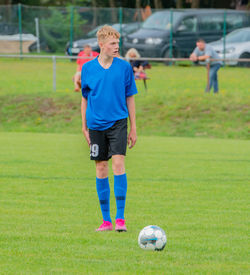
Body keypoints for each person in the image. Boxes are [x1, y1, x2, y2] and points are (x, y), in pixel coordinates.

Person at [81, 25, 138, 232]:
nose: (117, 47)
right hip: (95, 125)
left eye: (118, 43)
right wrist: (84, 127)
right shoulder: (88, 68)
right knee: (101, 167)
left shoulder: (124, 68)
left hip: (119, 123)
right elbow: (84, 99)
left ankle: (120, 219)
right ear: (101, 45)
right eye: (113, 44)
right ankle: (106, 221)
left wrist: (133, 128)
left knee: (118, 164)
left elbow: (130, 97)